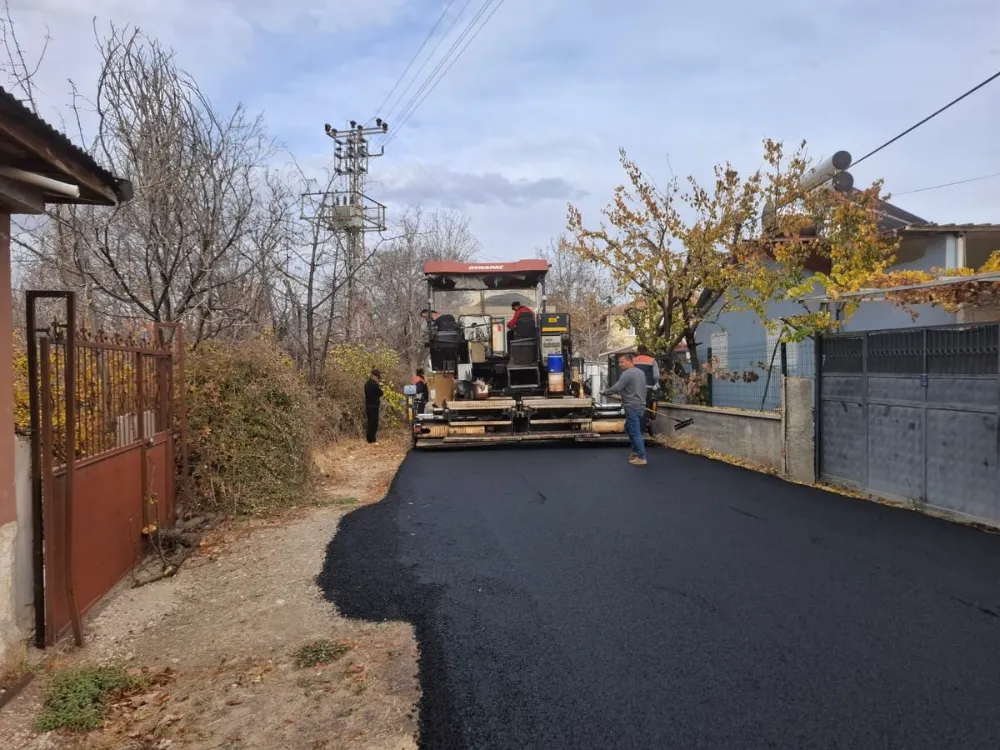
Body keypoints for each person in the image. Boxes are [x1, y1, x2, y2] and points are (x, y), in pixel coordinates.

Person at [602, 352, 648, 465]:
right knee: (628, 427)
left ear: (629, 361)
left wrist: (605, 392)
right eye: (619, 362)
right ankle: (635, 452)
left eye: (622, 362)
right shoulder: (640, 373)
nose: (620, 364)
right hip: (640, 405)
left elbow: (617, 387)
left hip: (632, 406)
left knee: (635, 432)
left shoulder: (627, 373)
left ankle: (641, 457)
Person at [364, 368, 383, 444]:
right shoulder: (374, 384)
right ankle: (372, 439)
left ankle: (369, 439)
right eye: (377, 376)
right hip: (374, 406)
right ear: (373, 376)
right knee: (374, 423)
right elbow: (380, 393)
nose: (378, 378)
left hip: (368, 405)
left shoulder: (366, 384)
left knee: (370, 423)